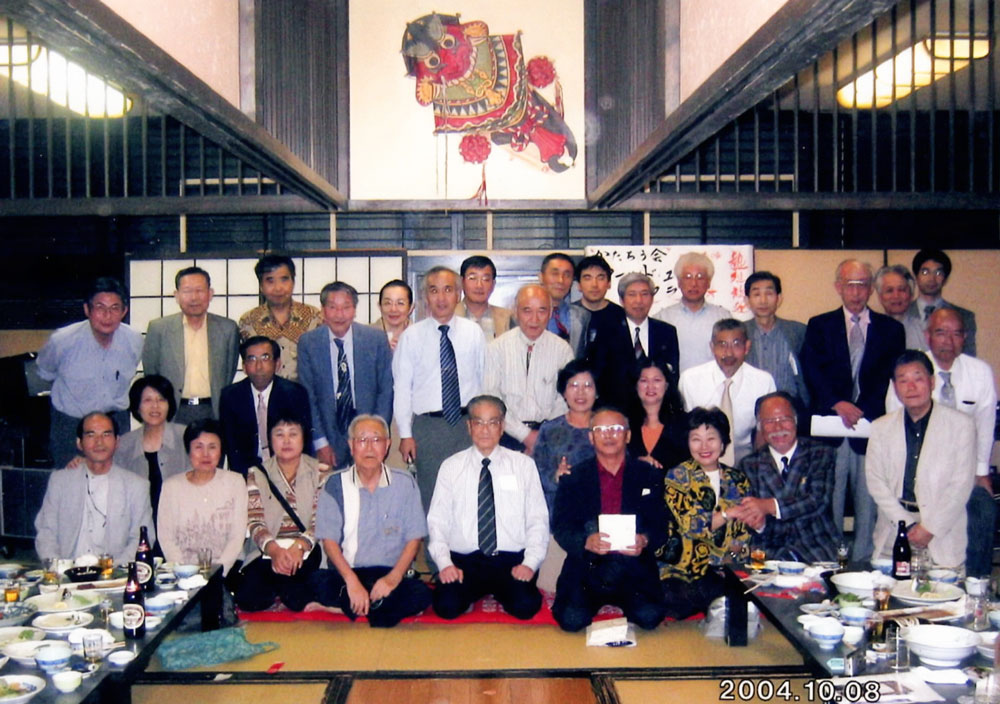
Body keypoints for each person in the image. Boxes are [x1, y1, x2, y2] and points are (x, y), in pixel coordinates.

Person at [800, 259, 905, 562]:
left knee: (868, 500)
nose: (856, 291)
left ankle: (863, 563)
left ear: (871, 288)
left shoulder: (891, 330)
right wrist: (838, 403)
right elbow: (812, 369)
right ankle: (829, 562)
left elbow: (890, 376)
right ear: (838, 287)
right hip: (831, 427)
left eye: (862, 284)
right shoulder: (820, 325)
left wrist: (860, 409)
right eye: (850, 284)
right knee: (828, 500)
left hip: (871, 426)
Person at [885, 308, 998, 576]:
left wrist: (981, 471)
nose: (948, 340)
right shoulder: (911, 370)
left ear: (964, 338)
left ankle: (976, 581)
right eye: (940, 333)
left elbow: (985, 424)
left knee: (983, 508)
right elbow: (894, 427)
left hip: (963, 468)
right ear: (927, 336)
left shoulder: (979, 372)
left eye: (956, 334)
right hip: (918, 470)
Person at [428, 395, 549, 620]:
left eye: (493, 422)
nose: (485, 430)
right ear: (469, 426)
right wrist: (445, 564)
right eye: (479, 422)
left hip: (510, 559)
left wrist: (529, 563)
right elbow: (438, 520)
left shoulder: (523, 465)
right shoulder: (451, 467)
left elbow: (537, 519)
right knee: (446, 607)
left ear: (502, 427)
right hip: (465, 560)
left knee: (526, 606)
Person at [551, 408, 668, 632]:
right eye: (601, 429)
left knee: (650, 617)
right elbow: (561, 526)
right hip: (588, 564)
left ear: (628, 435)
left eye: (615, 429)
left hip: (633, 563)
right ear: (591, 437)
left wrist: (644, 539)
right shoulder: (574, 477)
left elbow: (661, 523)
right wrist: (585, 541)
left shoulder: (648, 474)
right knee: (571, 620)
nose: (608, 435)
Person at [311, 415, 432, 627]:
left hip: (389, 573)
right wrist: (352, 582)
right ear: (351, 445)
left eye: (376, 440)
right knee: (314, 583)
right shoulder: (335, 484)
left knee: (421, 593)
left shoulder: (404, 483)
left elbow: (414, 538)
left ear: (387, 445)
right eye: (362, 440)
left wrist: (393, 579)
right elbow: (329, 542)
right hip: (348, 572)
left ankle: (350, 607)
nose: (369, 447)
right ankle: (372, 607)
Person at [866, 351, 976, 568]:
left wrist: (929, 528)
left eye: (918, 378)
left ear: (932, 382)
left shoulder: (961, 425)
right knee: (887, 588)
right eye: (903, 380)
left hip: (941, 532)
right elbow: (875, 482)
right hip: (894, 530)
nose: (911, 387)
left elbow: (961, 485)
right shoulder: (880, 427)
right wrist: (906, 524)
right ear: (895, 387)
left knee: (941, 589)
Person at [394, 266, 485, 515]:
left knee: (468, 496)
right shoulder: (411, 337)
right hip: (428, 428)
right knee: (432, 498)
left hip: (467, 425)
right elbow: (402, 388)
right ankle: (433, 543)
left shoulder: (473, 333)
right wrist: (405, 434)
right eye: (434, 291)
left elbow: (483, 381)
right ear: (426, 297)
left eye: (448, 290)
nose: (441, 298)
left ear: (458, 294)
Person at [37, 277, 142, 468]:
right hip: (71, 425)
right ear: (87, 309)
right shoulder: (62, 340)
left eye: (115, 308)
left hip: (115, 422)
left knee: (116, 481)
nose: (107, 315)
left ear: (124, 311)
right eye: (100, 307)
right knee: (71, 482)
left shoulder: (134, 340)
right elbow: (46, 373)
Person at [659, 408, 750, 620]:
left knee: (737, 598)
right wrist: (729, 513)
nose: (704, 447)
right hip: (683, 567)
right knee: (679, 601)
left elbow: (744, 528)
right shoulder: (677, 476)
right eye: (696, 439)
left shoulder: (738, 479)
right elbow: (693, 526)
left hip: (725, 564)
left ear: (723, 442)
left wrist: (736, 550)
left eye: (711, 439)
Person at [236, 415, 330, 612]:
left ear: (303, 438)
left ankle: (285, 590)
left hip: (307, 550)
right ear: (270, 439)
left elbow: (320, 520)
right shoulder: (257, 473)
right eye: (279, 434)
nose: (286, 441)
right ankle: (286, 589)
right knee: (247, 599)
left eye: (293, 434)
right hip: (268, 551)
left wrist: (299, 546)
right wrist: (274, 550)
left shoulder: (321, 471)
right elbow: (255, 521)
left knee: (299, 589)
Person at [731, 392, 839, 563]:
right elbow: (751, 516)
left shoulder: (821, 453)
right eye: (769, 421)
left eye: (784, 419)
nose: (778, 427)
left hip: (816, 547)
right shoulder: (749, 464)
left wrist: (768, 506)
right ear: (760, 427)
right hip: (769, 549)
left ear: (795, 420)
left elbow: (817, 501)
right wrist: (759, 523)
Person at [35, 412, 154, 565]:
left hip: (115, 571)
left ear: (117, 441)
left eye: (106, 434)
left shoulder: (136, 486)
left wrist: (114, 570)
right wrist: (57, 567)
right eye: (91, 435)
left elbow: (141, 538)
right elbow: (46, 532)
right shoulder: (60, 481)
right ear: (79, 443)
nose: (99, 442)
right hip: (67, 570)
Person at [297, 282, 393, 470]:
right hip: (327, 430)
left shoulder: (375, 339)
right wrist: (320, 441)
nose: (339, 315)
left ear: (354, 310)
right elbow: (308, 395)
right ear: (323, 310)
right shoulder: (308, 343)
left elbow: (385, 391)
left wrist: (376, 436)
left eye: (346, 307)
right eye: (333, 307)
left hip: (366, 426)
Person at [142, 267, 240, 424]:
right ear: (177, 295)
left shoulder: (228, 329)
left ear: (210, 294)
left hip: (213, 409)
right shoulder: (159, 328)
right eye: (187, 291)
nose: (194, 297)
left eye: (199, 290)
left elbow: (229, 372)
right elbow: (151, 373)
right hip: (173, 410)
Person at [484, 284, 574, 454]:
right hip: (506, 435)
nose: (534, 319)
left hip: (551, 435)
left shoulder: (563, 350)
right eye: (527, 311)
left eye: (542, 311)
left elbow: (565, 398)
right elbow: (492, 398)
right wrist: (525, 436)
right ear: (515, 312)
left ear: (550, 313)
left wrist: (543, 435)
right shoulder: (496, 348)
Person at [678, 319, 776, 465]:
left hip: (747, 458)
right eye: (722, 344)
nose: (729, 352)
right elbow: (685, 431)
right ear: (712, 347)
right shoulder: (690, 380)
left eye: (736, 344)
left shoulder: (763, 382)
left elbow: (766, 432)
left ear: (747, 347)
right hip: (700, 458)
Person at [157, 419, 248, 576]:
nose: (205, 454)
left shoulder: (235, 482)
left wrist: (217, 574)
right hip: (183, 573)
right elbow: (166, 538)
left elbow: (237, 537)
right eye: (198, 447)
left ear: (221, 450)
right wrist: (184, 573)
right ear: (188, 451)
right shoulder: (171, 487)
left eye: (212, 447)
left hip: (227, 571)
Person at [219, 336, 312, 476]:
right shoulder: (231, 396)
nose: (259, 366)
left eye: (265, 358)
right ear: (244, 367)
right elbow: (232, 448)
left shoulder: (295, 394)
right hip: (247, 472)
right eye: (252, 359)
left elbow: (304, 443)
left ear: (277, 364)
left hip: (287, 469)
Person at [591, 272, 679, 412]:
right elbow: (598, 377)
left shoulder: (666, 332)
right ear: (622, 300)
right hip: (617, 412)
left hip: (657, 413)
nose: (639, 300)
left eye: (645, 294)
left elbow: (672, 377)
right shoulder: (606, 332)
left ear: (652, 299)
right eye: (632, 294)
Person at [113, 375, 188, 533]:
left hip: (181, 523)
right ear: (137, 406)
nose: (155, 406)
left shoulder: (186, 437)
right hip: (138, 526)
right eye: (147, 400)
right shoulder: (124, 444)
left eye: (161, 400)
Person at [238, 254, 323, 382]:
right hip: (264, 392)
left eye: (284, 279)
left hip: (304, 392)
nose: (278, 288)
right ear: (261, 286)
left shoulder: (314, 317)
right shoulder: (249, 321)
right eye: (270, 281)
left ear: (293, 282)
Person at [532, 360, 598, 515]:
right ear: (564, 392)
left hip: (600, 509)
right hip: (559, 510)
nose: (580, 392)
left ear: (597, 392)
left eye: (587, 385)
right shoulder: (549, 429)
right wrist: (556, 476)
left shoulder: (609, 427)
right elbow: (535, 473)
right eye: (573, 385)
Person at [742, 271, 810, 408]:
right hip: (751, 406)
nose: (763, 301)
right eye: (756, 294)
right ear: (747, 301)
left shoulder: (798, 331)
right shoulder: (740, 333)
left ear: (779, 299)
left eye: (769, 294)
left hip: (790, 405)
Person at [654, 252, 729, 373]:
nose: (694, 284)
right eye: (688, 277)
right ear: (679, 282)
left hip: (713, 383)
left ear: (709, 282)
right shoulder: (663, 318)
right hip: (675, 384)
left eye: (700, 277)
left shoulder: (723, 317)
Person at [909, 248, 977, 356]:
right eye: (925, 272)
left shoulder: (964, 316)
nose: (931, 279)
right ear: (916, 276)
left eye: (938, 273)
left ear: (945, 279)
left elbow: (967, 357)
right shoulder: (902, 315)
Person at [627, 359, 688, 471]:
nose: (650, 386)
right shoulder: (625, 424)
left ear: (667, 385)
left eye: (657, 380)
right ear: (636, 385)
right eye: (644, 381)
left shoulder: (685, 424)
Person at [539, 253, 591, 358]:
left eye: (567, 275)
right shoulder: (523, 316)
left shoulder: (583, 316)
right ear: (541, 277)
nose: (561, 280)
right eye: (555, 274)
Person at [454, 255, 511, 341]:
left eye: (485, 279)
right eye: (472, 278)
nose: (479, 285)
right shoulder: (448, 315)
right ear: (462, 282)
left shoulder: (508, 318)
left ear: (493, 284)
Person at [573, 254, 624, 344]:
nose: (594, 285)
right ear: (579, 285)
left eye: (600, 278)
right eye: (587, 278)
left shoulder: (622, 316)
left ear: (609, 283)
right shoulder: (569, 315)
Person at [874, 265, 926, 350]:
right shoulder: (871, 331)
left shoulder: (924, 331)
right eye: (889, 290)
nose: (896, 296)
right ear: (880, 296)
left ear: (911, 294)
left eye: (902, 290)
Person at [370, 279, 413, 352]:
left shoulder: (420, 336)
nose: (393, 309)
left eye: (400, 303)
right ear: (379, 306)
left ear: (411, 308)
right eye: (388, 303)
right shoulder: (365, 335)